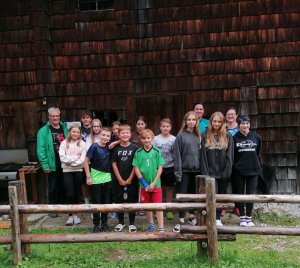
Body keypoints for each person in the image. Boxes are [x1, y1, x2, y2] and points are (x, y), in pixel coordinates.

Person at [172, 111, 208, 233]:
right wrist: (178, 172)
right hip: (184, 171)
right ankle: (181, 220)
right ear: (185, 121)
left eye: (193, 120)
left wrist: (204, 171)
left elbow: (202, 155)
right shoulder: (181, 135)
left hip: (196, 171)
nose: (191, 122)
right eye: (189, 120)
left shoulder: (200, 135)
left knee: (194, 195)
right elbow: (176, 155)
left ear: (196, 121)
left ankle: (191, 217)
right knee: (183, 195)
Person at [37, 107, 68, 217]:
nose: (55, 118)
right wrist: (45, 164)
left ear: (59, 116)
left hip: (65, 162)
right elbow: (41, 149)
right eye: (53, 116)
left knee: (64, 185)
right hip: (52, 162)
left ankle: (63, 207)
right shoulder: (43, 131)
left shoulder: (65, 128)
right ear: (49, 117)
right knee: (53, 186)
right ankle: (53, 209)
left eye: (57, 116)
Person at [203, 112, 234, 226]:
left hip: (223, 172)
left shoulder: (228, 135)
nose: (216, 123)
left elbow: (230, 155)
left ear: (222, 122)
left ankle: (217, 218)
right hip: (210, 173)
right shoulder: (205, 135)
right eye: (214, 121)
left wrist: (227, 171)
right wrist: (205, 172)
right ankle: (210, 217)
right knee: (211, 196)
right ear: (211, 122)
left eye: (219, 121)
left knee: (220, 196)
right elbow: (203, 156)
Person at [132, 129, 165, 232]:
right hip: (144, 185)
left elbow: (160, 168)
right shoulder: (138, 152)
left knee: (158, 206)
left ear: (152, 138)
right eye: (144, 138)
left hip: (156, 184)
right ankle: (151, 224)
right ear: (140, 139)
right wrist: (144, 183)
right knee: (147, 206)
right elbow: (136, 168)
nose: (146, 140)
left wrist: (154, 182)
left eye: (148, 138)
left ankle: (161, 227)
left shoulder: (157, 151)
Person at [232, 115, 262, 227]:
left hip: (253, 170)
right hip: (238, 171)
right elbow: (233, 155)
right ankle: (242, 218)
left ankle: (249, 217)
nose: (245, 125)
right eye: (242, 123)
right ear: (239, 125)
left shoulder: (256, 137)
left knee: (250, 195)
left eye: (247, 123)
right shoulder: (234, 138)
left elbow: (258, 153)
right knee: (240, 194)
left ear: (250, 124)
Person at [84, 127, 112, 232]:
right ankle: (96, 224)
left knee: (106, 202)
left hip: (107, 177)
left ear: (110, 137)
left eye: (108, 136)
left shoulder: (110, 147)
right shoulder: (94, 147)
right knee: (96, 202)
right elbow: (86, 162)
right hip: (95, 177)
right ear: (100, 135)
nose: (105, 137)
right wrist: (88, 176)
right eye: (103, 135)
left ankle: (104, 223)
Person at [111, 125, 139, 233]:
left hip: (131, 179)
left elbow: (135, 165)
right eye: (123, 133)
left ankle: (132, 223)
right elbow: (114, 164)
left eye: (127, 133)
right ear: (119, 135)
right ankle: (121, 222)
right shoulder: (116, 148)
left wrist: (131, 178)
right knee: (119, 200)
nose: (125, 135)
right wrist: (119, 179)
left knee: (131, 200)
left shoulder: (135, 148)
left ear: (130, 134)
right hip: (118, 179)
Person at [59, 125, 86, 226]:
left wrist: (70, 160)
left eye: (77, 132)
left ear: (80, 134)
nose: (75, 134)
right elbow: (62, 158)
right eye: (74, 132)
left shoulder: (82, 144)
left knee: (77, 193)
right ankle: (70, 215)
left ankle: (76, 215)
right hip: (67, 171)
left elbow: (82, 160)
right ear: (69, 132)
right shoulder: (64, 143)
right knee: (69, 193)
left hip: (78, 170)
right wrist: (75, 158)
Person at [152, 118, 176, 220]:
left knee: (169, 188)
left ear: (170, 127)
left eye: (167, 126)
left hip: (170, 166)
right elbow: (152, 153)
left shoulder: (174, 139)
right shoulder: (156, 139)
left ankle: (169, 208)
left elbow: (176, 152)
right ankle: (158, 208)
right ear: (160, 127)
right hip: (158, 167)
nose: (165, 128)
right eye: (163, 126)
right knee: (158, 188)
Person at [225, 107, 240, 216]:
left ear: (236, 116)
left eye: (232, 114)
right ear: (225, 116)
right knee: (223, 184)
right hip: (224, 159)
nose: (230, 116)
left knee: (237, 184)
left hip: (238, 160)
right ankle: (223, 206)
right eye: (228, 114)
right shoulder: (222, 128)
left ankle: (237, 206)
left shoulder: (240, 129)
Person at [80, 110, 93, 205]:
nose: (86, 119)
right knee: (84, 182)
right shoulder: (78, 130)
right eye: (84, 118)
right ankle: (86, 201)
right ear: (81, 119)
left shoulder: (95, 129)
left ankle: (94, 200)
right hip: (83, 159)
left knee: (94, 181)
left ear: (91, 119)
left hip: (94, 160)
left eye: (87, 117)